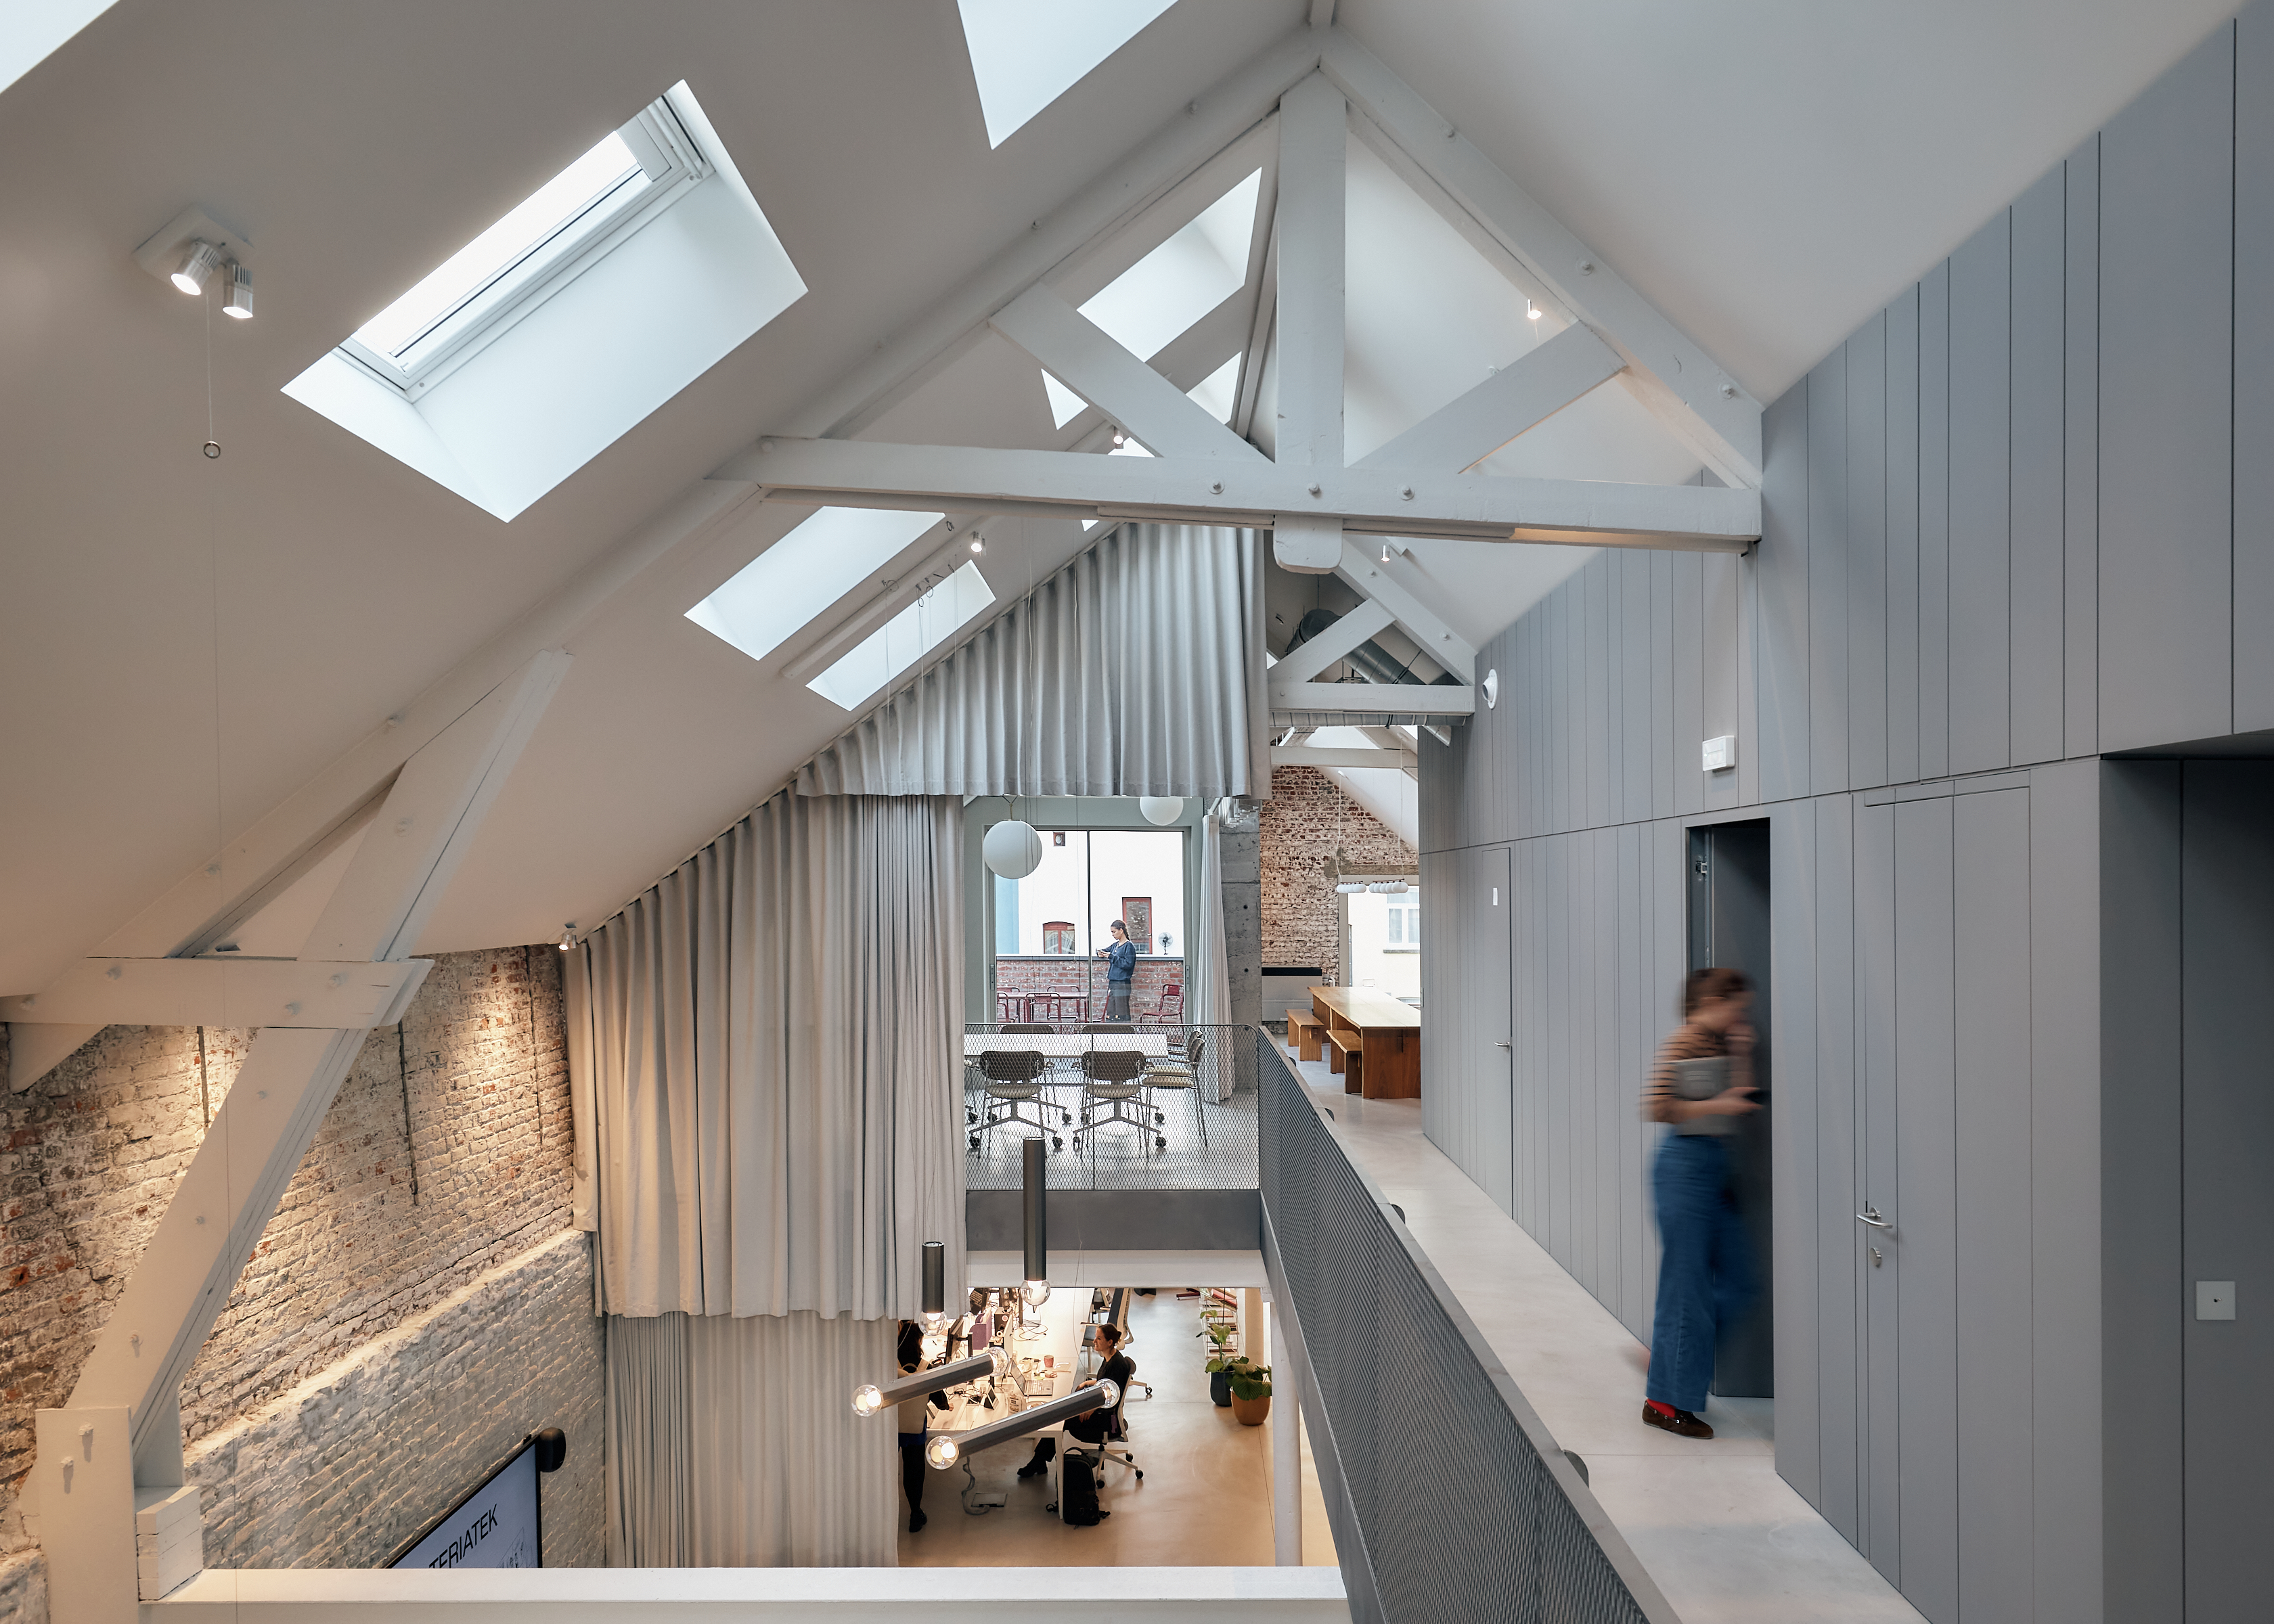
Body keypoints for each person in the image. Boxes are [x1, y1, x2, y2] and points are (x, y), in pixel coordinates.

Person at [1639, 966, 1760, 1441]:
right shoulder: (1686, 1039)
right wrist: (1719, 1106)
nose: (1741, 1014)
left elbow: (1741, 1100)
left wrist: (1744, 1052)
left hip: (1713, 1170)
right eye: (1737, 1006)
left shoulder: (1719, 1043)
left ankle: (1668, 1356)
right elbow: (1657, 1106)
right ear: (1715, 1002)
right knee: (1686, 1291)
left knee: (1740, 1282)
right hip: (1684, 1168)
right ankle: (1664, 1402)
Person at [1017, 1322, 1134, 1479]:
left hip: (1106, 1420)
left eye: (1099, 1339)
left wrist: (1091, 1409)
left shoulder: (1117, 1365)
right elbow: (1105, 1382)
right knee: (1063, 1411)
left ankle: (1038, 1462)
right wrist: (1088, 1383)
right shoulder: (1110, 1358)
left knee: (1061, 1420)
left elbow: (1112, 1395)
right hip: (1103, 1411)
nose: (1094, 1341)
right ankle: (1039, 1461)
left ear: (1110, 1342)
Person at [895, 1322, 931, 1532]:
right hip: (915, 1430)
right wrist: (945, 1404)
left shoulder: (889, 1365)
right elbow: (940, 1400)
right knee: (914, 1471)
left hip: (891, 1428)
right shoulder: (926, 1368)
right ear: (919, 1341)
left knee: (889, 1470)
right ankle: (915, 1513)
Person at [1097, 921, 1137, 1020]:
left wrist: (1112, 957)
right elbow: (1104, 950)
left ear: (1121, 930)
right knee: (1111, 1009)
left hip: (1122, 983)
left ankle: (1124, 1030)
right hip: (1113, 982)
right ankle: (1111, 1029)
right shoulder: (1115, 945)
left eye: (1114, 932)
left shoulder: (1129, 946)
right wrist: (1100, 953)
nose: (1113, 935)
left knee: (1121, 1009)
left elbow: (1128, 964)